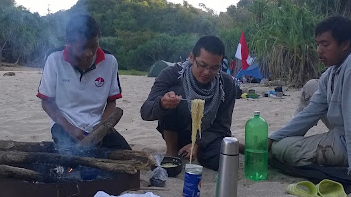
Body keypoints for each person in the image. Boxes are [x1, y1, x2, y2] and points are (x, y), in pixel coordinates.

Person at [269, 15, 351, 179]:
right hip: (345, 133)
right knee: (311, 87)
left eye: (325, 44)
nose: (319, 50)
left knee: (281, 149)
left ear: (344, 44)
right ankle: (284, 140)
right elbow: (311, 112)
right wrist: (272, 138)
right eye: (318, 44)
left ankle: (286, 145)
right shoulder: (332, 71)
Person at [37, 14, 131, 154]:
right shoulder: (54, 59)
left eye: (94, 46)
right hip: (64, 125)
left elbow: (111, 102)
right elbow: (47, 103)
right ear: (68, 42)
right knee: (74, 158)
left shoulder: (110, 61)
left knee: (127, 155)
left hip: (98, 126)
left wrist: (101, 128)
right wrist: (70, 128)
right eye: (82, 48)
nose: (89, 53)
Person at [140, 36, 236, 170]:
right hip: (178, 132)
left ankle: (200, 150)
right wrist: (162, 104)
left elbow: (222, 126)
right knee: (174, 92)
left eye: (215, 68)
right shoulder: (171, 74)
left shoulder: (226, 83)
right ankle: (172, 151)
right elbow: (145, 111)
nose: (207, 72)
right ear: (191, 58)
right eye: (202, 65)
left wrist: (197, 144)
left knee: (218, 160)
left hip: (207, 135)